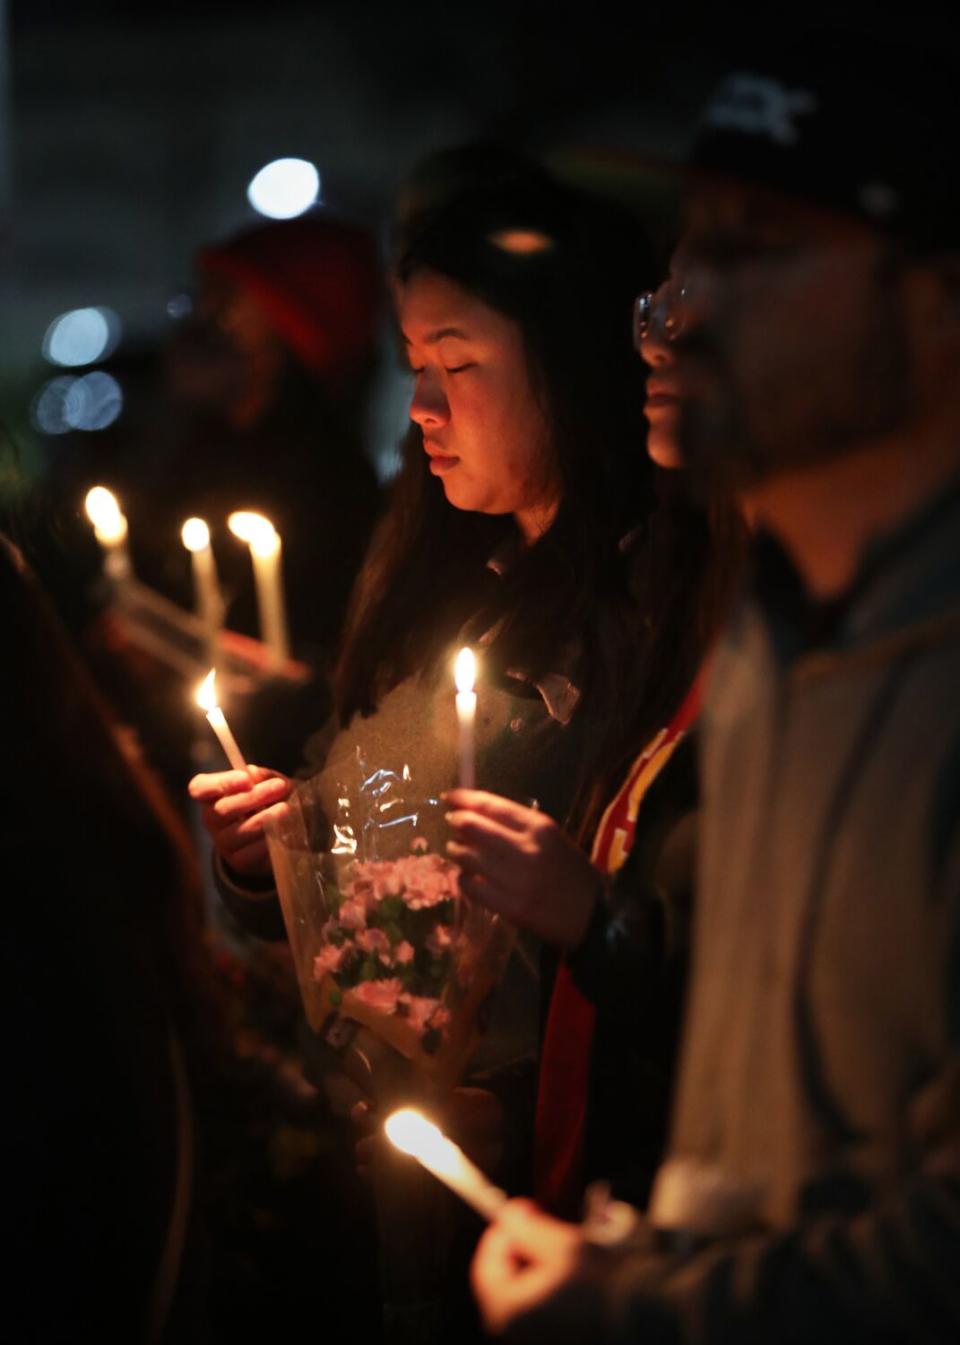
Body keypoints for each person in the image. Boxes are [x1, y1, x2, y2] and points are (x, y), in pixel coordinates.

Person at [470, 39, 960, 1344]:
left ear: (930, 300)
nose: (684, 312)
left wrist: (652, 1312)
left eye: (759, 249)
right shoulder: (764, 641)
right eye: (688, 257)